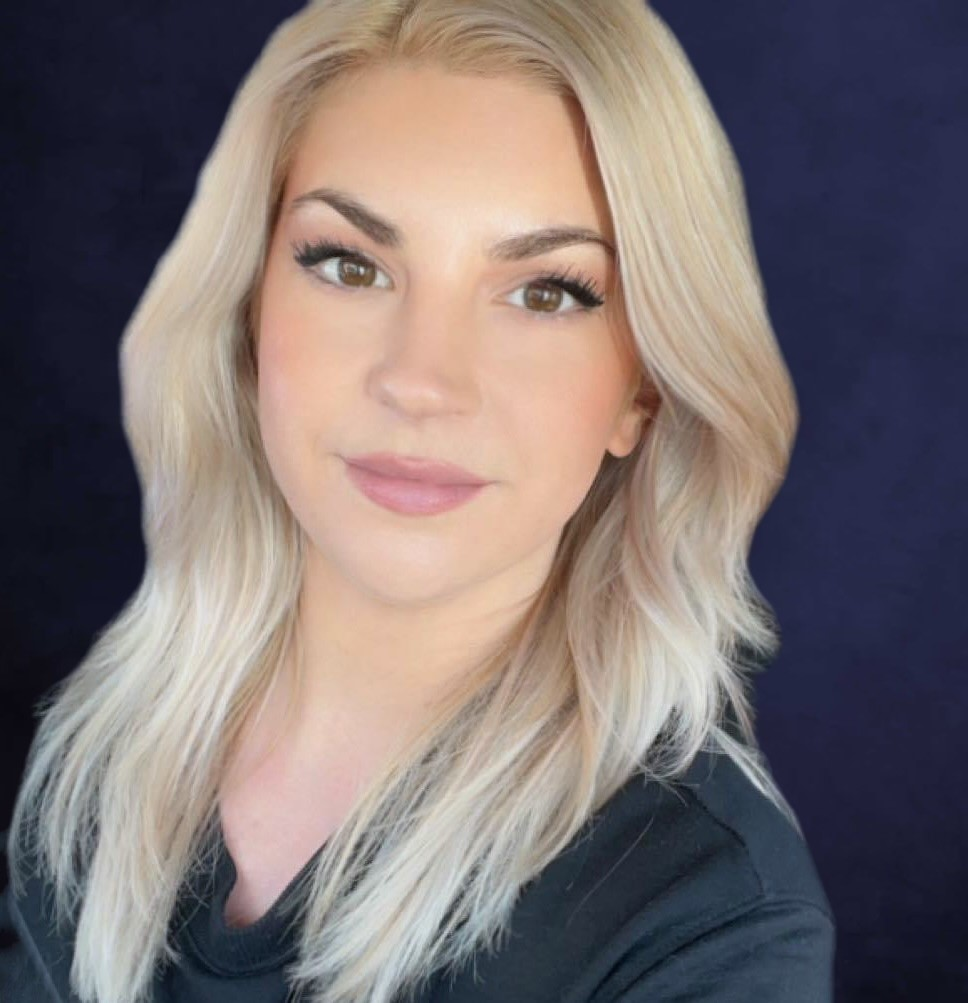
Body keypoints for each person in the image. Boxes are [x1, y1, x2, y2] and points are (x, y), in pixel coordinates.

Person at [0, 1, 835, 1000]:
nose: (421, 381)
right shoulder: (100, 754)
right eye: (349, 265)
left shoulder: (704, 915)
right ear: (248, 315)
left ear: (643, 387)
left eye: (545, 292)